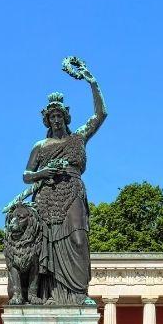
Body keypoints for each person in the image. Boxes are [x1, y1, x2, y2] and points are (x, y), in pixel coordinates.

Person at [22, 63, 106, 304]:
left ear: (66, 117)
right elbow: (27, 175)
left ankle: (78, 293)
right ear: (47, 120)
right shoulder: (40, 146)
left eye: (59, 116)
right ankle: (51, 295)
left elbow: (101, 115)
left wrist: (92, 82)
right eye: (52, 117)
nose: (56, 120)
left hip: (73, 190)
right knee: (47, 246)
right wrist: (43, 172)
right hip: (47, 195)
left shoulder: (78, 137)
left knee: (79, 240)